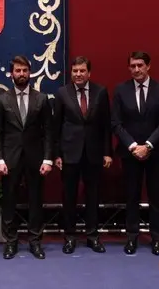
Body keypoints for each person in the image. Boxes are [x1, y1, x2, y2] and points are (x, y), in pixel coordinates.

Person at [111, 51, 159, 256]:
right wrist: (132, 146)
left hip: (155, 152)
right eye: (132, 66)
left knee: (156, 197)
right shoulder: (121, 90)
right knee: (131, 197)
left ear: (148, 66)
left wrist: (148, 145)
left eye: (140, 65)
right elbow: (116, 123)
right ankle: (132, 237)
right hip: (130, 154)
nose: (136, 69)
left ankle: (156, 238)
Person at [0, 55, 53, 260]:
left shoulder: (42, 99)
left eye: (25, 70)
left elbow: (48, 132)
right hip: (9, 159)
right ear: (11, 74)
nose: (21, 74)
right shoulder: (2, 99)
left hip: (36, 159)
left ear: (30, 72)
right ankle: (11, 242)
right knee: (9, 200)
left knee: (35, 201)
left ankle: (35, 241)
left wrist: (48, 159)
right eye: (17, 71)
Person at [52, 56, 112, 255]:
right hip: (69, 154)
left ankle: (92, 236)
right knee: (69, 197)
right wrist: (57, 154)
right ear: (71, 72)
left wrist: (107, 152)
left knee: (93, 196)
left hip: (94, 153)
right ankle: (69, 237)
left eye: (82, 71)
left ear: (89, 73)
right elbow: (56, 126)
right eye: (75, 71)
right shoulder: (62, 93)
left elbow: (106, 125)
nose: (78, 74)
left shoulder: (101, 92)